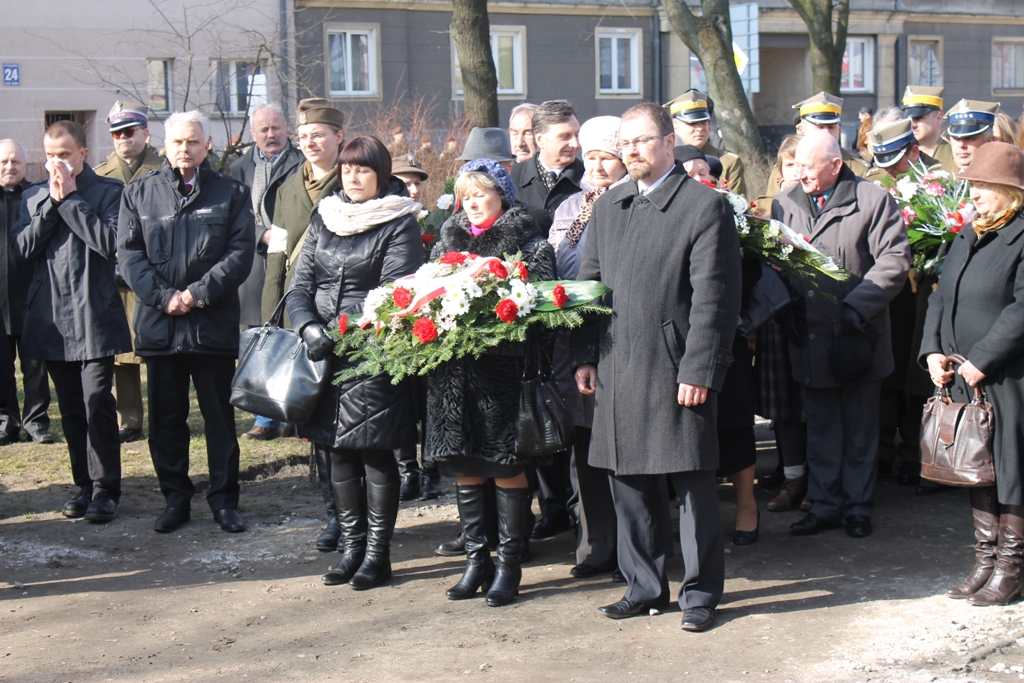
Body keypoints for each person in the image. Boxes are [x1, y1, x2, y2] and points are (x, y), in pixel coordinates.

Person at [573, 102, 742, 632]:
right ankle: (644, 587)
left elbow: (716, 299)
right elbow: (590, 288)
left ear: (669, 142)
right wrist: (585, 354)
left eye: (642, 140)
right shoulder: (610, 206)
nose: (632, 151)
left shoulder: (703, 206)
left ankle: (700, 594)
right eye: (625, 143)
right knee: (628, 483)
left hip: (675, 368)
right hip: (617, 364)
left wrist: (700, 370)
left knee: (692, 486)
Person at [288, 136, 422, 590]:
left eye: (362, 169)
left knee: (374, 449)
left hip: (372, 353)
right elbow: (300, 285)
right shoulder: (325, 217)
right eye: (346, 169)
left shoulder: (399, 223)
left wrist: (334, 331)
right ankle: (352, 549)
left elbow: (391, 293)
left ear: (381, 174)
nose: (352, 177)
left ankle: (378, 556)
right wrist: (308, 327)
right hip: (322, 356)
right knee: (336, 449)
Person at [117, 110, 255, 534]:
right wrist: (165, 298)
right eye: (177, 141)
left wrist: (196, 294)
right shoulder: (138, 193)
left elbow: (240, 253)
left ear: (206, 145)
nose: (185, 148)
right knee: (165, 422)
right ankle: (175, 500)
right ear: (164, 144)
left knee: (219, 421)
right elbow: (129, 256)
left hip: (211, 325)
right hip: (160, 326)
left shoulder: (231, 192)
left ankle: (224, 501)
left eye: (193, 141)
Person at [427, 158, 556, 607]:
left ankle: (509, 565)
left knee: (505, 467)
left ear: (502, 195)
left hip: (503, 376)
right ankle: (476, 561)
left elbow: (542, 314)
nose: (473, 202)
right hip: (452, 376)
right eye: (466, 195)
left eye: (481, 193)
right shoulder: (445, 244)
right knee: (464, 465)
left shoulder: (531, 245)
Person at [772, 131, 910, 539]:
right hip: (809, 336)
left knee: (860, 428)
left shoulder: (872, 200)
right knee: (821, 428)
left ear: (835, 165)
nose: (800, 174)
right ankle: (825, 505)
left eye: (808, 166)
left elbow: (894, 260)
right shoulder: (785, 202)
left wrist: (858, 306)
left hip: (856, 337)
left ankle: (857, 507)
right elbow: (774, 259)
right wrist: (784, 308)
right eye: (796, 165)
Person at [920, 141, 1024, 605]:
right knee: (976, 465)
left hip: (1007, 376)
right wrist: (932, 351)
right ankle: (985, 560)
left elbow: (1022, 308)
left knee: (1011, 467)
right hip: (964, 373)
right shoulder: (967, 234)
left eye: (983, 185)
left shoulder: (1020, 236)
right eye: (973, 184)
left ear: (1010, 191)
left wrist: (984, 358)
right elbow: (940, 295)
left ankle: (1011, 568)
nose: (974, 193)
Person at [13, 120, 131, 522]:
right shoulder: (33, 196)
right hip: (52, 319)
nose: (56, 163)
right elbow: (22, 249)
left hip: (94, 315)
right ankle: (84, 486)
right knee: (71, 410)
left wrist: (71, 200)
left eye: (64, 155)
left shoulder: (110, 192)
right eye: (50, 156)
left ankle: (106, 490)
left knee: (98, 404)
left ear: (83, 153)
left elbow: (108, 242)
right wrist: (52, 202)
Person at [262, 98, 346, 551]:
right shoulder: (288, 187)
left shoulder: (356, 176)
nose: (310, 142)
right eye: (304, 135)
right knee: (315, 421)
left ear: (338, 137)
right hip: (300, 313)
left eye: (319, 134)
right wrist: (272, 316)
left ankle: (362, 514)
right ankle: (334, 515)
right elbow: (278, 255)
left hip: (345, 314)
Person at [548, 115, 625, 580]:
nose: (596, 166)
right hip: (570, 340)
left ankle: (630, 549)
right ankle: (595, 545)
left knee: (621, 447)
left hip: (615, 336)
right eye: (591, 157)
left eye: (606, 158)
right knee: (584, 445)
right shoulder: (569, 207)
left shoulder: (631, 201)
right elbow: (558, 265)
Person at [230, 103, 304, 441]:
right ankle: (265, 418)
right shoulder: (238, 168)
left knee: (293, 337)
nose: (271, 135)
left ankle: (296, 414)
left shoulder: (301, 163)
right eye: (264, 130)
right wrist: (261, 233)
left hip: (293, 258)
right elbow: (232, 215)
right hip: (253, 263)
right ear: (253, 134)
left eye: (276, 128)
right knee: (259, 341)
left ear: (286, 129)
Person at [94, 101, 164, 444]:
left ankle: (167, 414)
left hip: (159, 273)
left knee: (161, 351)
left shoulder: (164, 167)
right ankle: (130, 420)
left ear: (145, 133)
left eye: (129, 132)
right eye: (116, 134)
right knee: (123, 354)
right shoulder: (101, 173)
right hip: (116, 277)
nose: (123, 138)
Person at [388, 154, 441, 503]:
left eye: (417, 182)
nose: (414, 189)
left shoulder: (436, 220)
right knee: (401, 402)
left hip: (432, 326)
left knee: (430, 401)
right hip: (398, 325)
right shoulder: (385, 223)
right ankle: (408, 470)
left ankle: (432, 471)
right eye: (406, 183)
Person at [0, 139, 52, 445]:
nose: (10, 166)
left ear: (25, 165)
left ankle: (36, 423)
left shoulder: (36, 196)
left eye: (15, 161)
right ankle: (5, 421)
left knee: (35, 366)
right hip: (0, 301)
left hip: (33, 296)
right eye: (4, 162)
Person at [511, 100, 583, 238]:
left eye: (577, 135)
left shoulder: (590, 179)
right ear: (539, 139)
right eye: (565, 137)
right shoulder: (512, 178)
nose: (575, 144)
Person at [664, 89, 747, 196]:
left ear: (709, 125)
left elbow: (738, 203)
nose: (699, 128)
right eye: (692, 123)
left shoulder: (729, 163)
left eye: (703, 122)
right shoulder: (665, 161)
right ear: (675, 126)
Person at [903, 86, 957, 173]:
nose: (913, 125)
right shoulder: (902, 157)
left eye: (918, 118)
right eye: (909, 119)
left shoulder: (955, 155)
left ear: (938, 118)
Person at [946, 99, 999, 172]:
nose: (961, 145)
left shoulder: (1002, 176)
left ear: (990, 141)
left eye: (970, 138)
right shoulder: (939, 174)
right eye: (956, 138)